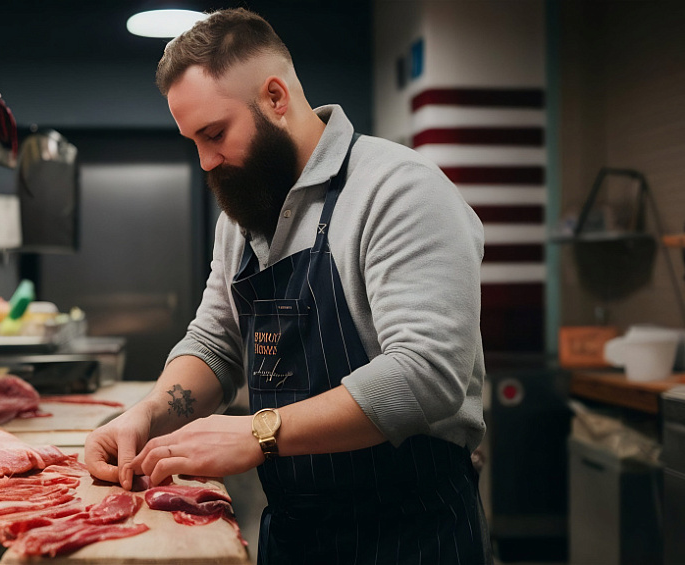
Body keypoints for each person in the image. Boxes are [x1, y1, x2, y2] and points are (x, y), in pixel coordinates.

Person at [84, 8, 491, 564]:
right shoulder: (243, 218)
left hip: (411, 533)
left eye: (215, 134)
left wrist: (259, 433)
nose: (205, 161)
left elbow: (426, 373)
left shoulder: (399, 190)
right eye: (193, 141)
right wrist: (149, 413)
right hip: (296, 534)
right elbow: (215, 344)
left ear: (275, 97)